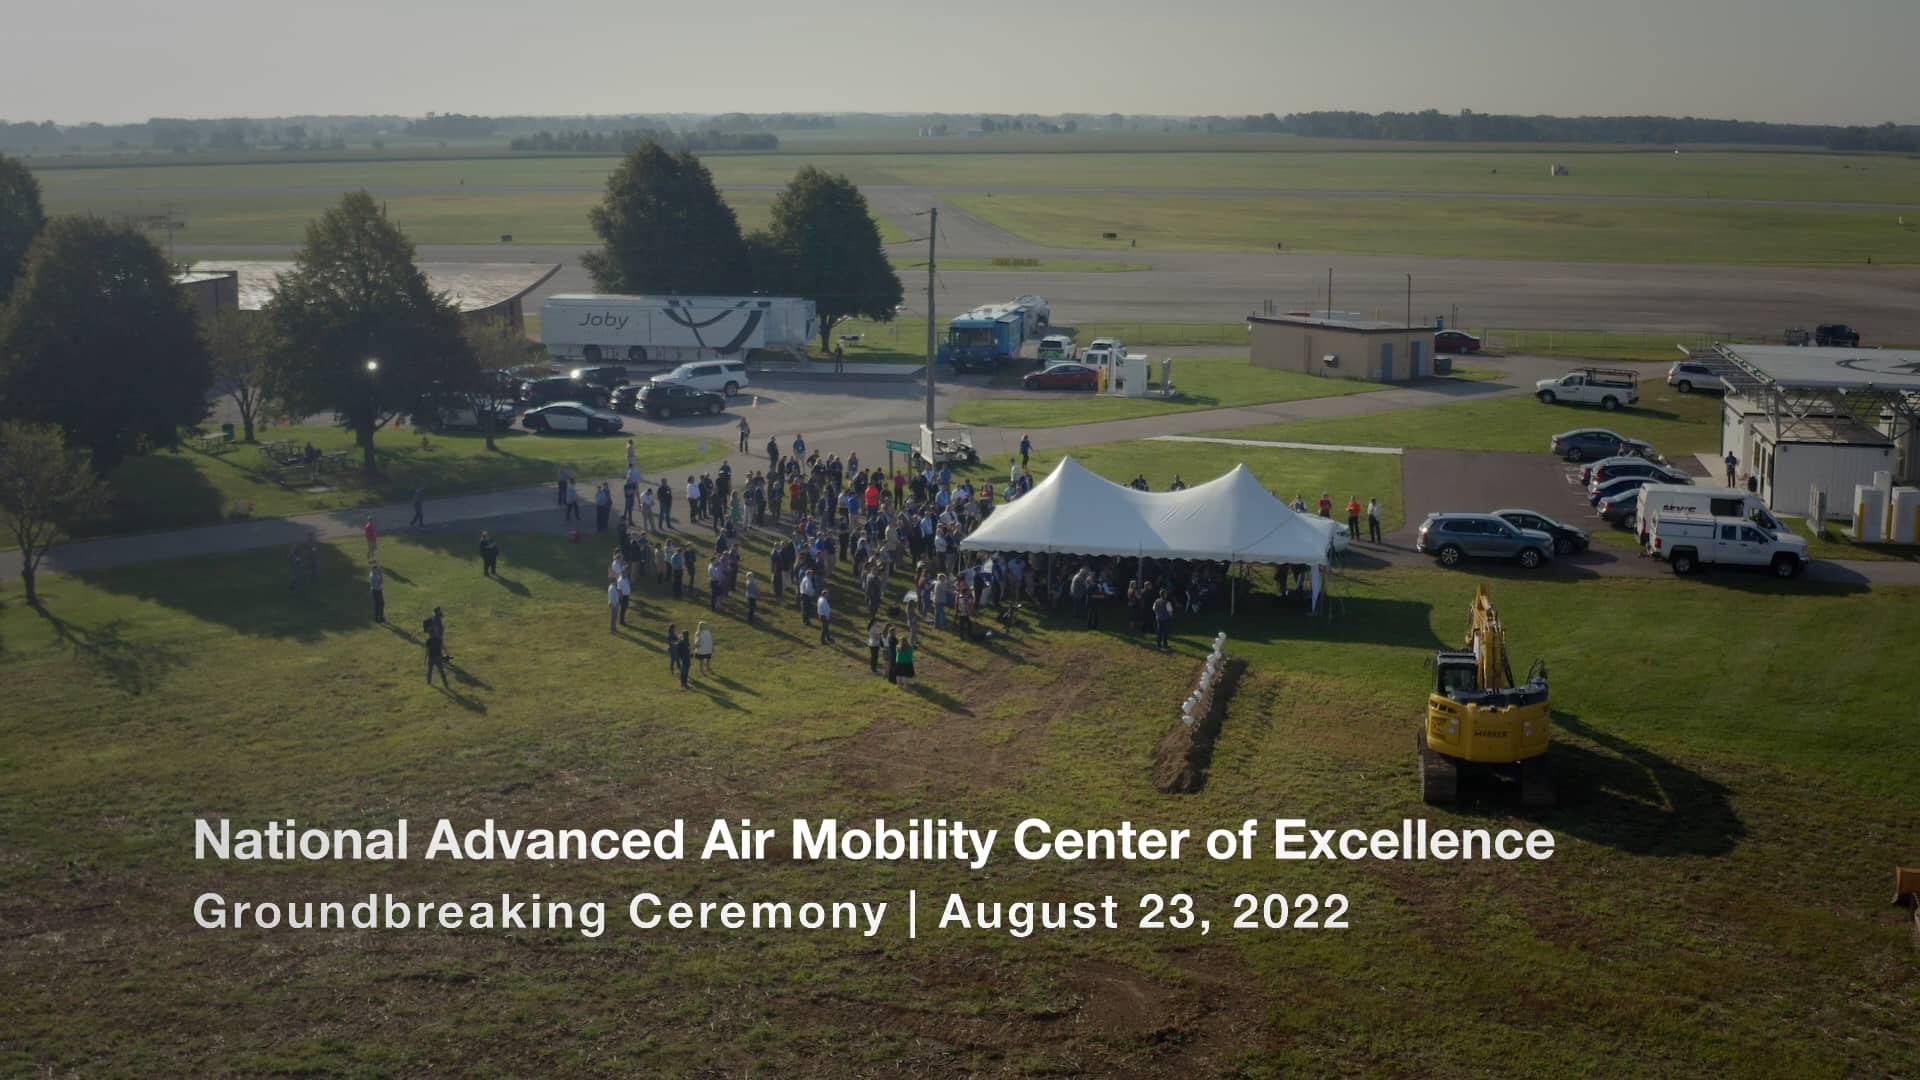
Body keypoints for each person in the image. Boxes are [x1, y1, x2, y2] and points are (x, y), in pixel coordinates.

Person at [424, 620, 449, 687]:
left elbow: (427, 651)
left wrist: (426, 659)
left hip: (431, 658)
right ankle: (446, 684)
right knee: (442, 672)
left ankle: (429, 682)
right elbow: (444, 647)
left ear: (430, 634)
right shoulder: (439, 640)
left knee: (429, 672)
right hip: (439, 658)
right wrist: (447, 655)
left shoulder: (428, 641)